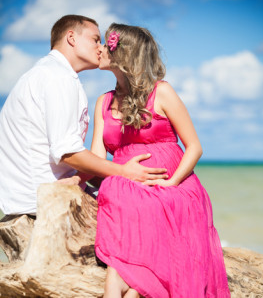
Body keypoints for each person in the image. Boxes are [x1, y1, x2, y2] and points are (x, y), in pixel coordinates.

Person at [91, 23, 231, 297]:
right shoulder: (103, 102)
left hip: (172, 182)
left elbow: (194, 147)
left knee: (150, 203)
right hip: (125, 181)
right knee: (117, 192)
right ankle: (131, 286)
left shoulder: (162, 91)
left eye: (106, 44)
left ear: (124, 54)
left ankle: (126, 285)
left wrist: (172, 183)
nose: (99, 49)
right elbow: (98, 157)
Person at [0, 15, 167, 216]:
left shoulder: (47, 73)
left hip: (34, 195)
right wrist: (124, 172)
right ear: (71, 38)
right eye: (95, 39)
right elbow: (67, 152)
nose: (101, 47)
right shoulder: (57, 78)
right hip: (43, 203)